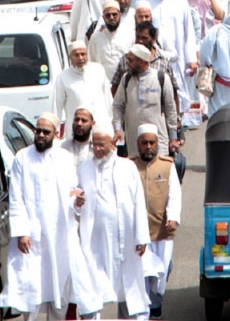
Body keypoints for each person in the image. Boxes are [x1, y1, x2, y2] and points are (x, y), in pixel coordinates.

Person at [0, 112, 102, 319]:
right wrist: (21, 232)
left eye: (46, 132)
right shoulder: (22, 158)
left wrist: (77, 202)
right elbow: (16, 197)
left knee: (59, 290)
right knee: (31, 288)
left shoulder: (65, 158)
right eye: (38, 130)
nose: (41, 135)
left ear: (55, 134)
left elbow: (71, 192)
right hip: (32, 236)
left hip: (59, 235)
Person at [76, 125, 150, 320]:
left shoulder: (127, 167)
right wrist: (76, 203)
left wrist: (141, 236)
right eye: (94, 145)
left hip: (124, 238)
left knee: (127, 287)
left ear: (112, 144)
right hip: (94, 241)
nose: (97, 149)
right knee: (92, 285)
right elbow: (75, 199)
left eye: (101, 145)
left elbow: (138, 202)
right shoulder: (84, 168)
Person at [131, 124, 182, 320]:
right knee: (143, 275)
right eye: (144, 143)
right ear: (138, 144)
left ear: (157, 144)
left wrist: (173, 218)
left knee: (161, 274)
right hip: (139, 235)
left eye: (152, 142)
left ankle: (155, 305)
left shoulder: (167, 166)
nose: (148, 147)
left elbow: (174, 195)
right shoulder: (130, 166)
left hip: (162, 232)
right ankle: (147, 312)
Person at [146, 0, 199, 116]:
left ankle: (178, 127)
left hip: (179, 57)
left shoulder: (181, 2)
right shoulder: (146, 3)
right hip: (155, 58)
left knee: (179, 92)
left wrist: (192, 59)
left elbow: (189, 32)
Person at [113, 44, 178, 157]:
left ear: (141, 61)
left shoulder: (161, 78)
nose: (127, 63)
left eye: (131, 60)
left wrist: (173, 138)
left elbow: (170, 109)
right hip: (134, 142)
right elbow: (118, 105)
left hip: (159, 140)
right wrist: (117, 130)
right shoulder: (126, 79)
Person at [111, 21, 180, 108]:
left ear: (153, 39)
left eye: (144, 38)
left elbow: (173, 93)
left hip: (156, 115)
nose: (140, 41)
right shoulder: (125, 60)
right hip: (131, 114)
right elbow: (115, 88)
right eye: (138, 37)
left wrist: (176, 118)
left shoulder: (163, 62)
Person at [53, 40, 112, 137]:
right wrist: (56, 132)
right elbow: (56, 107)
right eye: (76, 55)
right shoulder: (63, 78)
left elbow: (108, 99)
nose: (80, 58)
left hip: (100, 128)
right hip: (77, 132)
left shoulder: (98, 70)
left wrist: (113, 124)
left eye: (83, 54)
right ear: (70, 58)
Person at [88, 0, 135, 80]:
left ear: (120, 15)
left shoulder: (130, 35)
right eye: (108, 15)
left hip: (125, 83)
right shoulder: (95, 38)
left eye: (114, 14)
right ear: (103, 17)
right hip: (104, 84)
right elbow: (92, 63)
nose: (111, 17)